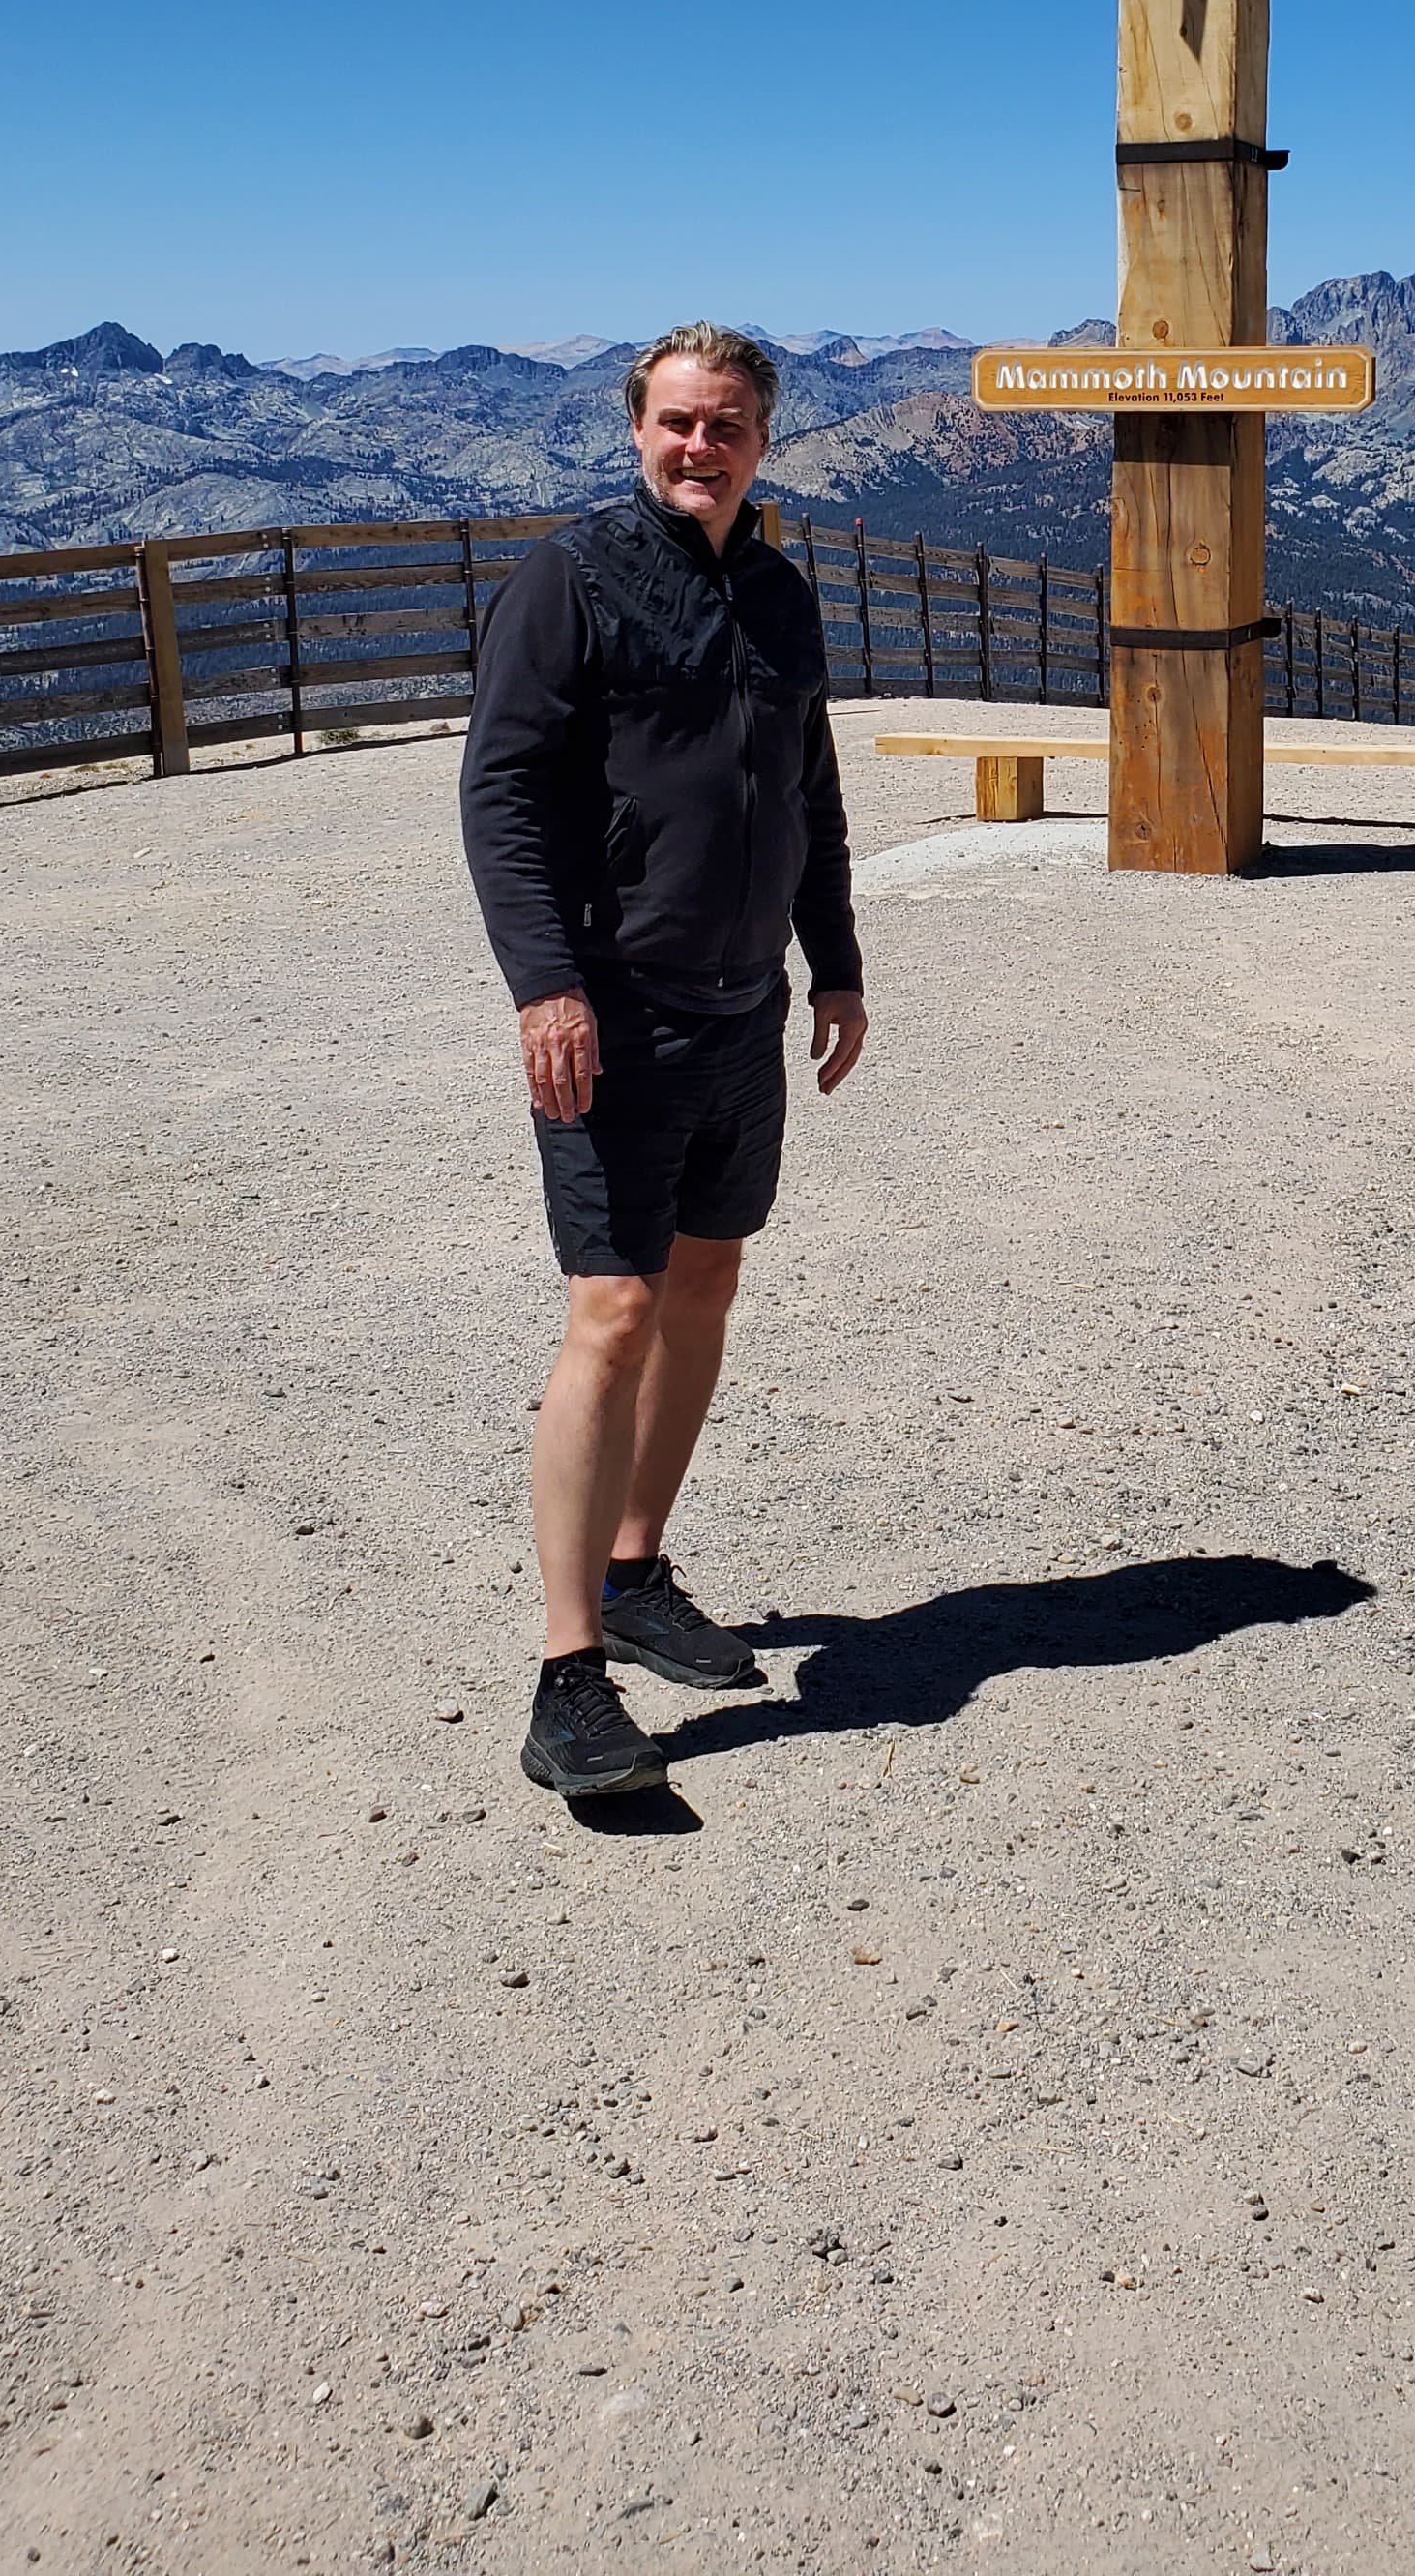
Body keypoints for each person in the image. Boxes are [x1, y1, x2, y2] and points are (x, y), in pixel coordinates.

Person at [459, 321, 867, 1801]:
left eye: (730, 427)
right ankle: (566, 1674)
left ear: (765, 441)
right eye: (679, 424)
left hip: (739, 1005)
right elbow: (500, 792)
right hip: (611, 1009)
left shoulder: (776, 589)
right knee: (613, 1312)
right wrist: (544, 990)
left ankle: (636, 1573)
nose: (702, 449)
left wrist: (838, 959)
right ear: (636, 428)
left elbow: (809, 789)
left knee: (704, 1283)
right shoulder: (568, 581)